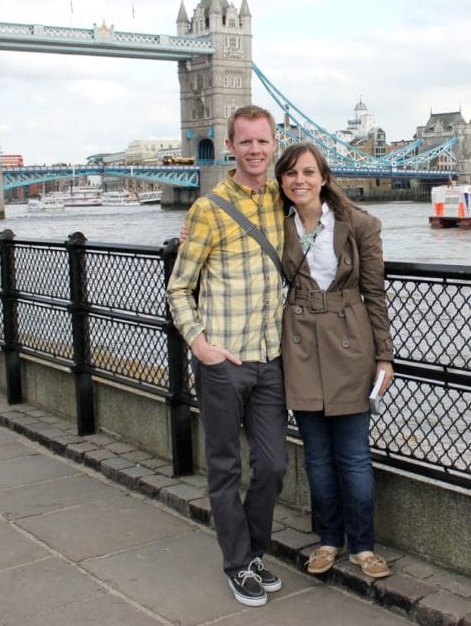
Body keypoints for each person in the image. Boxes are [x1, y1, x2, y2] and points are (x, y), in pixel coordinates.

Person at [165, 105, 287, 608]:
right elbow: (179, 288)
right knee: (224, 467)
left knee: (274, 465)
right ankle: (238, 564)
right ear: (230, 146)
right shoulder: (207, 210)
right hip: (223, 360)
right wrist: (199, 344)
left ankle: (255, 553)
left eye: (263, 142)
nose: (255, 151)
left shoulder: (284, 200)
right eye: (246, 142)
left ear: (273, 144)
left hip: (272, 357)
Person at [275, 142, 395, 579]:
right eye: (290, 174)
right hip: (301, 342)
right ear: (282, 182)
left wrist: (385, 355)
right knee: (317, 457)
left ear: (324, 177)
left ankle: (363, 546)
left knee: (354, 455)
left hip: (351, 342)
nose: (299, 181)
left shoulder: (359, 224)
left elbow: (375, 293)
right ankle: (328, 539)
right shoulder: (272, 222)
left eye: (308, 172)